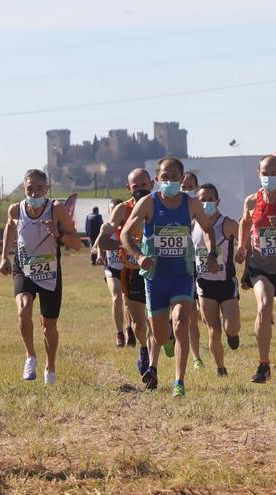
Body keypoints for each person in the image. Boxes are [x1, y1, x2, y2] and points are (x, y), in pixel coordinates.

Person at [121, 158, 220, 397]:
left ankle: (179, 382)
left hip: (181, 274)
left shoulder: (191, 203)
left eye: (175, 176)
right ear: (157, 180)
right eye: (165, 177)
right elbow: (125, 233)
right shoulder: (148, 203)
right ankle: (163, 344)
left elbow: (207, 228)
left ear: (182, 178)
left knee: (181, 322)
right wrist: (139, 256)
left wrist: (212, 253)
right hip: (155, 276)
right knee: (161, 333)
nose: (170, 181)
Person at [0, 169, 83, 384]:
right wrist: (4, 257)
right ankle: (30, 356)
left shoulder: (56, 210)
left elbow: (77, 244)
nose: (34, 193)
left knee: (49, 326)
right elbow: (9, 228)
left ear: (46, 188)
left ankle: (50, 367)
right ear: (24, 188)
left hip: (50, 272)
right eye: (29, 189)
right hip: (24, 268)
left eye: (38, 188)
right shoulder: (16, 210)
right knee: (24, 309)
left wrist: (58, 233)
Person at [236, 155, 276, 387]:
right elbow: (245, 222)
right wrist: (242, 247)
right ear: (258, 173)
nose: (269, 176)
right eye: (265, 172)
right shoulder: (252, 201)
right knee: (263, 305)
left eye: (274, 172)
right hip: (261, 266)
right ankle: (263, 364)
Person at [94, 168, 154, 376]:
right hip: (131, 272)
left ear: (152, 184)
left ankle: (156, 356)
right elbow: (105, 238)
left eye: (144, 186)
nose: (140, 190)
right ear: (128, 188)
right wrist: (124, 244)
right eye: (135, 187)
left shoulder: (163, 205)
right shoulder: (122, 209)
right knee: (139, 323)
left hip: (160, 271)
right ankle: (144, 349)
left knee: (157, 319)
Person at [193, 183, 241, 377]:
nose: (206, 203)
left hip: (226, 283)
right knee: (213, 329)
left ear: (218, 201)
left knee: (231, 327)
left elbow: (245, 239)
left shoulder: (227, 223)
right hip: (204, 283)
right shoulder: (192, 224)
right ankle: (220, 368)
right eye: (202, 199)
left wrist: (243, 254)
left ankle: (233, 334)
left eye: (210, 199)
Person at [98, 198, 135, 347]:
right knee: (116, 298)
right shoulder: (107, 227)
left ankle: (129, 328)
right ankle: (119, 333)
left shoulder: (129, 227)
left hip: (128, 268)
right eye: (112, 210)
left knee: (128, 302)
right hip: (111, 268)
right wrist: (100, 255)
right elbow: (99, 242)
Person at [180, 171, 204, 369]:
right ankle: (196, 358)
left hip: (200, 270)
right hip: (180, 269)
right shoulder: (174, 212)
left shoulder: (201, 212)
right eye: (183, 187)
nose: (187, 191)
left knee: (198, 316)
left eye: (191, 187)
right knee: (188, 317)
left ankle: (196, 357)